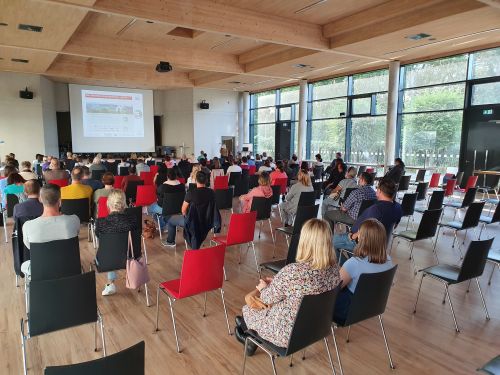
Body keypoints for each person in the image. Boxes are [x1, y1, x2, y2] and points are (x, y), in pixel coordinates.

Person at [235, 218, 341, 353]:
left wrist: (263, 287)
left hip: (287, 334)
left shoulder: (293, 272)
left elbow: (267, 298)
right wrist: (280, 282)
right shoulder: (335, 269)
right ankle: (248, 333)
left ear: (305, 242)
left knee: (247, 309)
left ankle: (249, 336)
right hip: (317, 327)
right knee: (252, 314)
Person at [333, 219, 393, 324]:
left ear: (362, 238)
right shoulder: (388, 259)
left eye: (359, 232)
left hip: (347, 312)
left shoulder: (354, 263)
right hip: (373, 308)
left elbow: (334, 288)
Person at [332, 179, 402, 261]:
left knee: (328, 243)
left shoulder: (376, 210)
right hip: (380, 245)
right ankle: (355, 262)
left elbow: (365, 231)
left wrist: (351, 237)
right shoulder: (398, 207)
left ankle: (348, 267)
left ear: (379, 191)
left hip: (361, 243)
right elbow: (395, 225)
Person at [21, 184, 80, 278]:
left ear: (40, 199)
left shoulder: (28, 226)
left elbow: (30, 247)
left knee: (24, 265)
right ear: (60, 201)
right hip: (69, 269)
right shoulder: (74, 220)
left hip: (41, 272)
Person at [95, 189, 137, 296]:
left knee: (109, 248)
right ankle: (134, 278)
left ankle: (110, 284)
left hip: (105, 261)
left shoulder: (100, 223)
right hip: (130, 257)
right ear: (124, 204)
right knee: (118, 247)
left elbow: (98, 236)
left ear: (108, 204)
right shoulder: (132, 220)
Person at [163, 171, 216, 247]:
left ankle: (170, 242)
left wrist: (186, 217)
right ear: (206, 180)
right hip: (208, 220)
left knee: (170, 220)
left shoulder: (191, 193)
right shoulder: (212, 192)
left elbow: (183, 210)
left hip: (192, 222)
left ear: (196, 180)